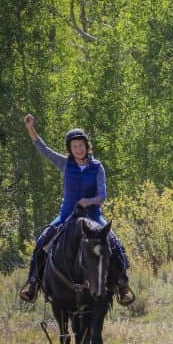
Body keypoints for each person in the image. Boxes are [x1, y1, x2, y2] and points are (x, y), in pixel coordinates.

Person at [18, 115, 135, 305]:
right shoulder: (64, 164)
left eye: (81, 145)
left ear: (87, 146)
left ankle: (122, 285)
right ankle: (33, 283)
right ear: (70, 149)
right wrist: (30, 127)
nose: (78, 149)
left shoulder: (97, 167)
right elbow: (42, 148)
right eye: (74, 146)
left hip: (93, 215)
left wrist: (88, 202)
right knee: (42, 240)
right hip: (67, 215)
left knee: (114, 242)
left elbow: (102, 196)